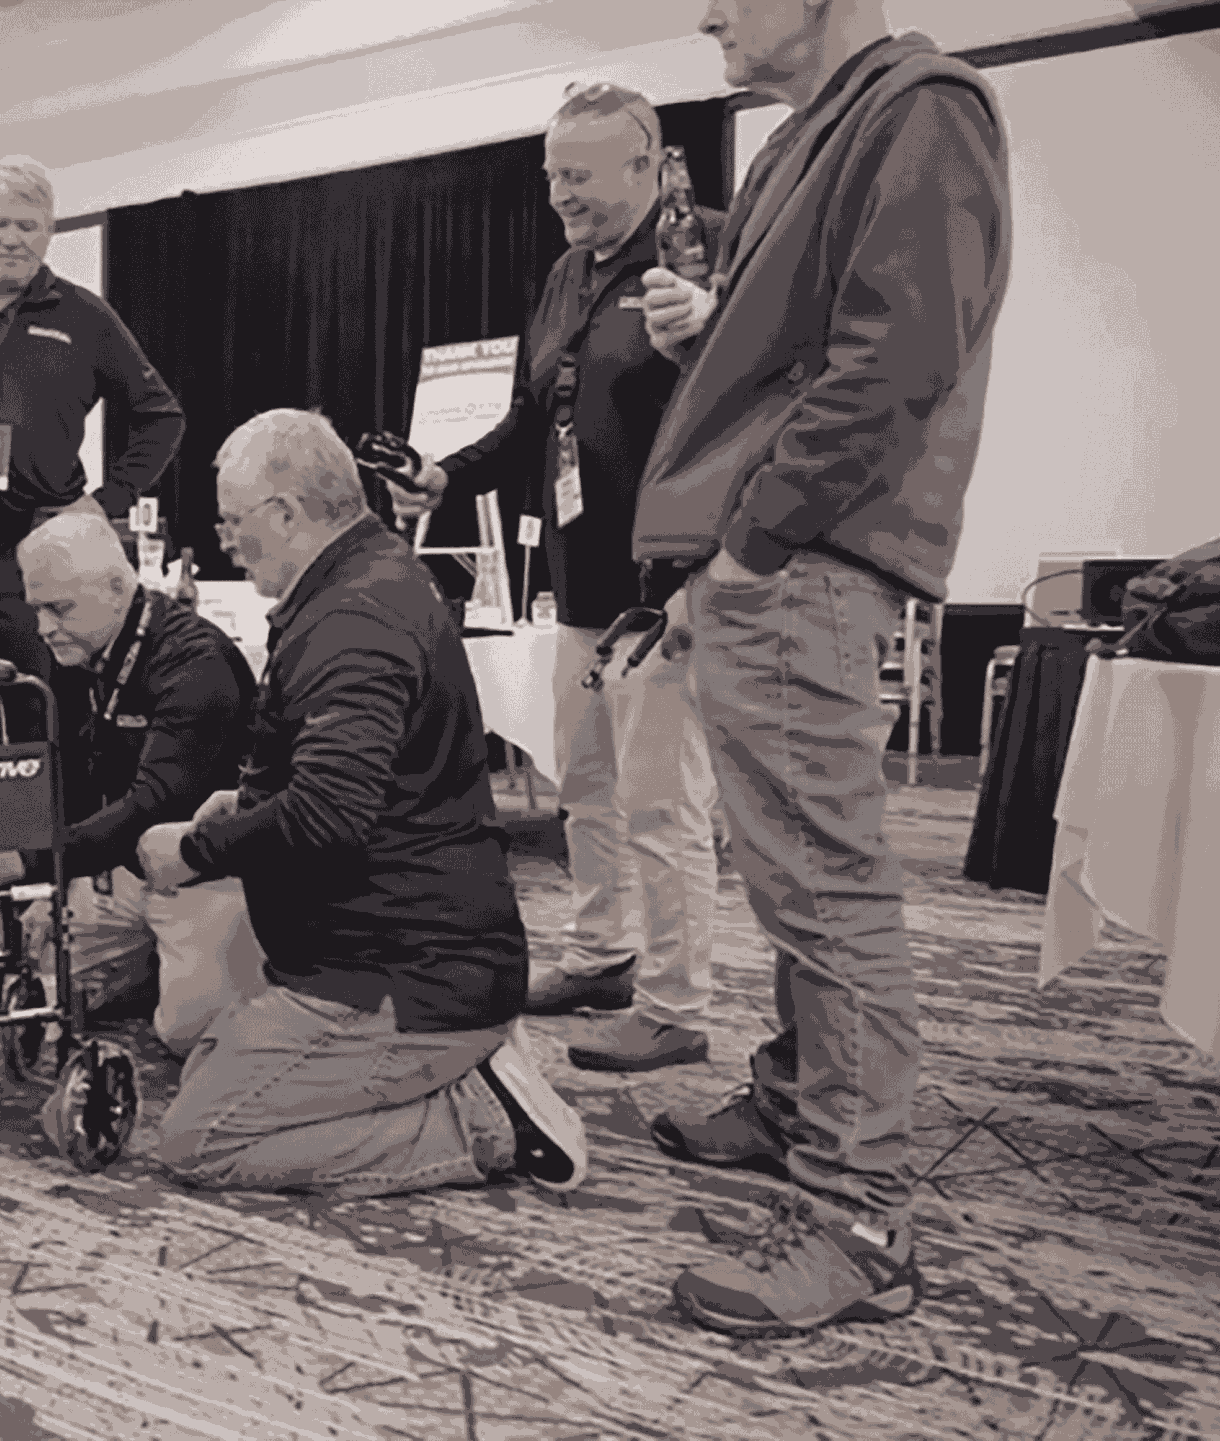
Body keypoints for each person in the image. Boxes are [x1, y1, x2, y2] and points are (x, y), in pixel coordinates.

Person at [631, 0, 1010, 1337]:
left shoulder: (922, 109)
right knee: (789, 870)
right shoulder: (813, 133)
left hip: (800, 554)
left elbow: (897, 360)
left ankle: (858, 1219)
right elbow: (795, 356)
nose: (707, 12)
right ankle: (796, 1101)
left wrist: (754, 541)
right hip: (771, 550)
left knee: (825, 886)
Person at [135, 410, 587, 1198]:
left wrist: (194, 853)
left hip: (401, 974)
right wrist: (249, 801)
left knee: (199, 1140)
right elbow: (362, 780)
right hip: (397, 954)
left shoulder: (352, 615)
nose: (227, 541)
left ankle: (485, 1117)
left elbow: (329, 814)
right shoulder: (364, 581)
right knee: (205, 1058)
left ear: (285, 512)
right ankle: (459, 1072)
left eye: (233, 521)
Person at [398, 83, 731, 1076]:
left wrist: (708, 567)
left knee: (664, 806)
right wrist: (445, 476)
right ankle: (600, 958)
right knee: (586, 789)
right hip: (578, 590)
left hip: (664, 591)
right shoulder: (563, 276)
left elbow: (748, 400)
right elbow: (528, 420)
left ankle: (675, 1005)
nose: (560, 195)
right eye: (551, 176)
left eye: (579, 175)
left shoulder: (702, 249)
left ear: (647, 164)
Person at [0, 155, 184, 736]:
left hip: (36, 558)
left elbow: (159, 416)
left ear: (49, 233)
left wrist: (107, 503)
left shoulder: (85, 316)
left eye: (28, 226)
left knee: (47, 722)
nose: (12, 239)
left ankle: (55, 800)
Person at [15, 509, 263, 1056]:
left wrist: (38, 863)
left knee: (190, 1035)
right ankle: (150, 963)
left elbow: (158, 802)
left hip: (204, 868)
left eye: (60, 608)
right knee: (44, 978)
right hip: (128, 866)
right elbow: (74, 771)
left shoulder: (196, 662)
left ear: (116, 587)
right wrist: (56, 887)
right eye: (36, 608)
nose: (43, 628)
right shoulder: (79, 647)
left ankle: (187, 961)